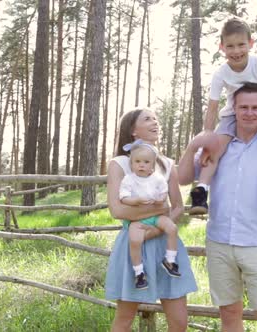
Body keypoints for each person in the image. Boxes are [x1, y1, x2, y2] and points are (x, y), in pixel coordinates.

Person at [178, 83, 257, 332]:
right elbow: (183, 178)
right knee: (229, 316)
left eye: (256, 107)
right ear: (233, 109)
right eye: (244, 107)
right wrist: (193, 145)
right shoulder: (217, 146)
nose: (250, 113)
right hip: (219, 243)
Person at [188, 17, 257, 215]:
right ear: (222, 47)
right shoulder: (221, 73)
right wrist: (206, 141)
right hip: (232, 113)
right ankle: (201, 191)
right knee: (215, 148)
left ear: (251, 43)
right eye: (230, 46)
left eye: (241, 45)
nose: (236, 51)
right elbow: (212, 108)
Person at [105, 108, 198, 332]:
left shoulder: (166, 164)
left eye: (156, 118)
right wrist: (159, 210)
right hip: (134, 242)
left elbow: (177, 207)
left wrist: (155, 229)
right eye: (147, 119)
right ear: (132, 131)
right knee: (124, 318)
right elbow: (117, 210)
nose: (155, 122)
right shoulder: (120, 164)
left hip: (165, 244)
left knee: (179, 322)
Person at [119, 140, 181, 290]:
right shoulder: (129, 179)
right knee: (135, 240)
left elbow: (163, 192)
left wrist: (161, 199)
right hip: (137, 219)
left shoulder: (157, 178)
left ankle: (170, 260)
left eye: (146, 162)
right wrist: (136, 200)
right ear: (131, 164)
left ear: (152, 165)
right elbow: (123, 197)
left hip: (157, 216)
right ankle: (139, 273)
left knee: (171, 228)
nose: (141, 165)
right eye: (137, 162)